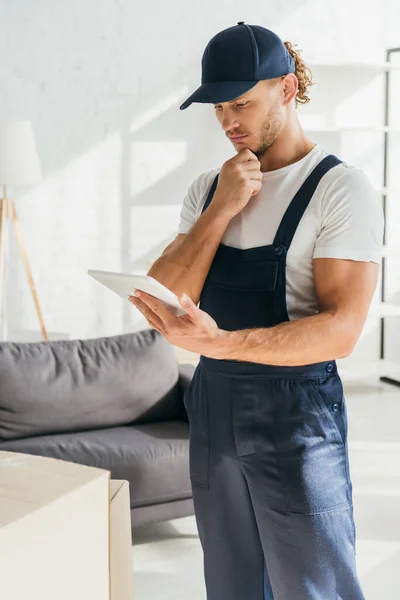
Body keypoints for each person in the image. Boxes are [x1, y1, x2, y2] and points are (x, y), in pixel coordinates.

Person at [129, 22, 384, 600]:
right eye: (219, 107)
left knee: (314, 586)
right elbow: (163, 292)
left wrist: (220, 344)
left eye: (242, 102)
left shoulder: (339, 190)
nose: (228, 121)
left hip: (297, 415)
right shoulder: (208, 189)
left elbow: (342, 331)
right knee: (233, 583)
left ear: (287, 89)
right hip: (214, 408)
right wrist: (220, 209)